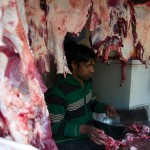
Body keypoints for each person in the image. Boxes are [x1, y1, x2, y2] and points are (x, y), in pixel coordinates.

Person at [45, 41, 116, 150]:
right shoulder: (59, 92)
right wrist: (83, 129)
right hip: (67, 141)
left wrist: (105, 107)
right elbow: (53, 126)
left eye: (93, 65)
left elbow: (91, 103)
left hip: (87, 136)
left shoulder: (87, 82)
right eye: (88, 66)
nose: (92, 70)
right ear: (74, 65)